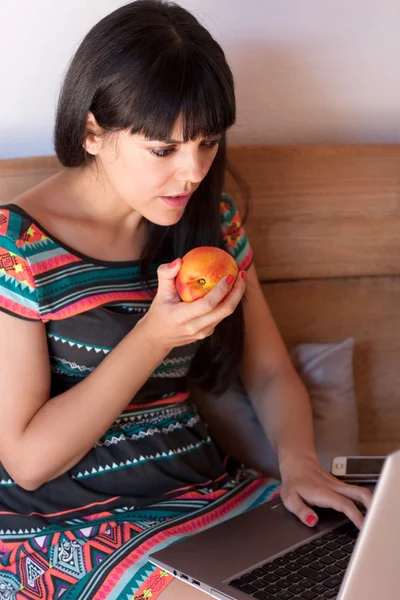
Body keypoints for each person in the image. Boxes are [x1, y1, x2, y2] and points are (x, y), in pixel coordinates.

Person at [0, 1, 371, 598]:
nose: (193, 171)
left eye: (208, 142)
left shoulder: (210, 222)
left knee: (366, 568)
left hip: (209, 495)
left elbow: (270, 371)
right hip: (67, 530)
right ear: (93, 130)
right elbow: (28, 460)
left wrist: (300, 463)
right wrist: (154, 336)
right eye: (163, 150)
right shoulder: (16, 246)